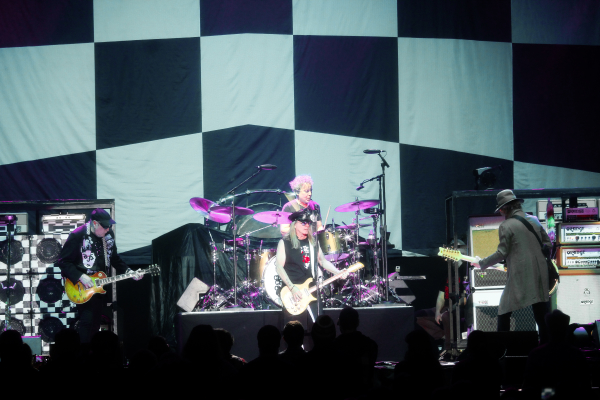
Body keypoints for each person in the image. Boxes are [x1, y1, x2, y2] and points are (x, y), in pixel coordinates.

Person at [472, 190, 550, 343]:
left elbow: (502, 253)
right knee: (541, 314)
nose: (501, 212)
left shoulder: (506, 225)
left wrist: (481, 263)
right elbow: (548, 243)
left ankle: (502, 348)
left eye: (501, 209)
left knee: (504, 310)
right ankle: (547, 347)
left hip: (521, 274)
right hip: (540, 273)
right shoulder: (534, 220)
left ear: (505, 208)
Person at [56, 208, 142, 343]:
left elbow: (114, 258)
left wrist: (129, 272)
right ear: (95, 223)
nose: (108, 229)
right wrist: (80, 276)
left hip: (99, 287)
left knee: (95, 322)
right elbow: (63, 261)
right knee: (87, 321)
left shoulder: (108, 235)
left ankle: (91, 354)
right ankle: (84, 354)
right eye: (105, 226)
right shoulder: (77, 235)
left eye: (109, 226)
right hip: (82, 286)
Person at [275, 208, 345, 327]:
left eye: (308, 223)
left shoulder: (313, 242)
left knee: (320, 327)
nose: (306, 225)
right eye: (303, 223)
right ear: (295, 224)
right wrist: (292, 288)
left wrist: (338, 272)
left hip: (311, 289)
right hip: (293, 292)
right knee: (293, 330)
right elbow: (279, 267)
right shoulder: (285, 242)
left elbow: (322, 261)